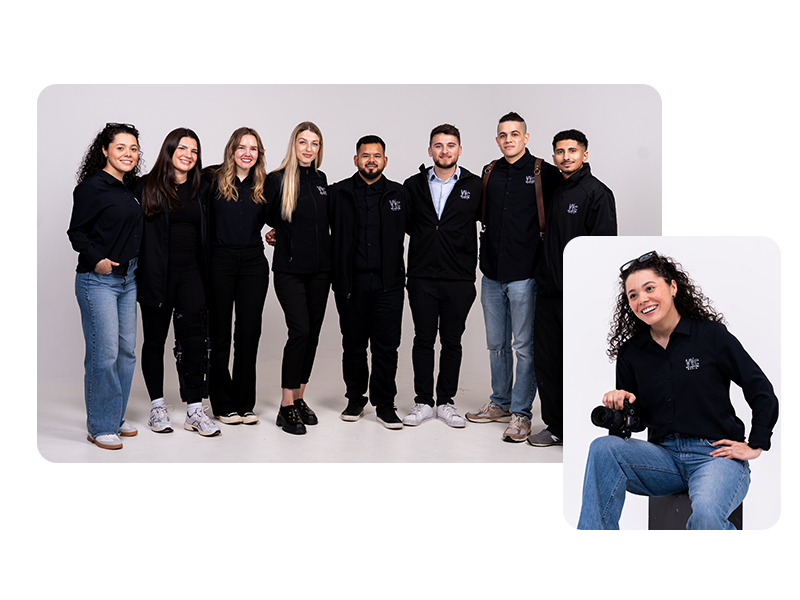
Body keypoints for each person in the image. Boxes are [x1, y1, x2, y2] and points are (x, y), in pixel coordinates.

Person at [577, 251, 779, 529]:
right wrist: (621, 407)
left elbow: (761, 389)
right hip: (662, 460)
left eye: (650, 288)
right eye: (633, 295)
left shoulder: (711, 336)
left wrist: (756, 444)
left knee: (707, 514)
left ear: (672, 287)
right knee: (603, 449)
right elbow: (633, 426)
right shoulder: (631, 353)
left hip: (715, 457)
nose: (642, 300)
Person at [465, 112, 560, 442]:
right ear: (497, 140)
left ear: (526, 137)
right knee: (496, 345)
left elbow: (559, 219)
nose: (509, 139)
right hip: (491, 273)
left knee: (524, 347)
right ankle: (500, 403)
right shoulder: (489, 172)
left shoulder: (543, 172)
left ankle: (521, 413)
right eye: (503, 135)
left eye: (514, 134)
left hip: (525, 276)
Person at [528, 129, 617, 447]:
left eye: (572, 151)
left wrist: (590, 295)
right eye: (560, 151)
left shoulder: (597, 194)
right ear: (553, 156)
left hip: (579, 298)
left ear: (585, 154)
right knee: (548, 363)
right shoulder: (553, 190)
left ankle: (583, 428)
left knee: (579, 363)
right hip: (548, 293)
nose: (565, 156)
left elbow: (604, 252)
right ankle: (557, 427)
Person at [136, 127, 219, 437]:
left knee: (196, 342)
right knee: (154, 342)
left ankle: (194, 409)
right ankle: (157, 406)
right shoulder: (145, 187)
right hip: (157, 276)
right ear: (169, 151)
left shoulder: (203, 187)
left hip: (192, 274)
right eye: (182, 148)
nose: (188, 155)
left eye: (194, 151)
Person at [68, 123, 144, 450]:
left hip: (129, 280)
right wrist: (97, 258)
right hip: (97, 280)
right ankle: (100, 426)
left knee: (126, 353)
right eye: (121, 147)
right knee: (105, 353)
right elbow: (77, 233)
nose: (127, 154)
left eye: (133, 149)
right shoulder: (91, 187)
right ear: (105, 150)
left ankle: (114, 415)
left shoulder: (131, 188)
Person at [401, 124, 482, 428]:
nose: (444, 151)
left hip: (459, 278)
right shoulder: (413, 185)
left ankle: (446, 402)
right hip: (421, 275)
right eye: (438, 145)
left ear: (459, 150)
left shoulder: (475, 185)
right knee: (423, 339)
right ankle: (423, 401)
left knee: (451, 341)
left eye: (450, 145)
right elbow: (406, 224)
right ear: (430, 150)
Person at [329, 135, 408, 429]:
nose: (371, 160)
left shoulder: (399, 194)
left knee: (387, 347)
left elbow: (426, 230)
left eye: (376, 156)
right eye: (365, 155)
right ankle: (355, 398)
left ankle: (385, 405)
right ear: (356, 160)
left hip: (389, 285)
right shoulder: (339, 193)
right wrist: (278, 232)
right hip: (351, 285)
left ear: (385, 161)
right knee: (353, 345)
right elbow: (310, 224)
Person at [266, 122, 331, 435]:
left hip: (320, 272)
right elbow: (260, 215)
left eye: (314, 143)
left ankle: (300, 397)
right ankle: (285, 405)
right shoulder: (276, 180)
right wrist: (273, 232)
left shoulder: (321, 179)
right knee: (300, 331)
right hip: (289, 271)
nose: (308, 148)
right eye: (303, 142)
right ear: (293, 145)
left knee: (314, 333)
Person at [205, 127, 271, 426]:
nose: (247, 153)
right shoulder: (211, 178)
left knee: (248, 334)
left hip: (254, 265)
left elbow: (284, 217)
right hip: (220, 261)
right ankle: (222, 404)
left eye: (253, 148)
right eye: (242, 147)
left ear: (259, 154)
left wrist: (278, 231)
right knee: (219, 334)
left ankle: (245, 404)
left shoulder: (265, 185)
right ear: (232, 150)